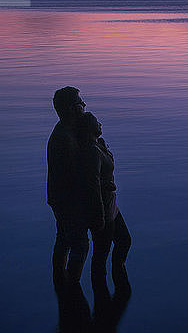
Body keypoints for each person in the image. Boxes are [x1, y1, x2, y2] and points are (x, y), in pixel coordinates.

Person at [79, 112, 131, 293]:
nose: (100, 123)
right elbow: (92, 184)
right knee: (101, 253)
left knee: (124, 240)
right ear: (89, 128)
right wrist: (98, 214)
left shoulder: (98, 146)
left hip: (111, 204)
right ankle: (102, 297)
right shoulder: (92, 152)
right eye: (96, 122)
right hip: (103, 207)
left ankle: (119, 276)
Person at [47, 86, 92, 283]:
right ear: (71, 109)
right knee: (80, 245)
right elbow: (74, 174)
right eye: (80, 103)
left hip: (59, 199)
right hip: (67, 202)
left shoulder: (66, 132)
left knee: (63, 240)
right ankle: (72, 286)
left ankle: (60, 280)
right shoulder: (64, 138)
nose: (84, 106)